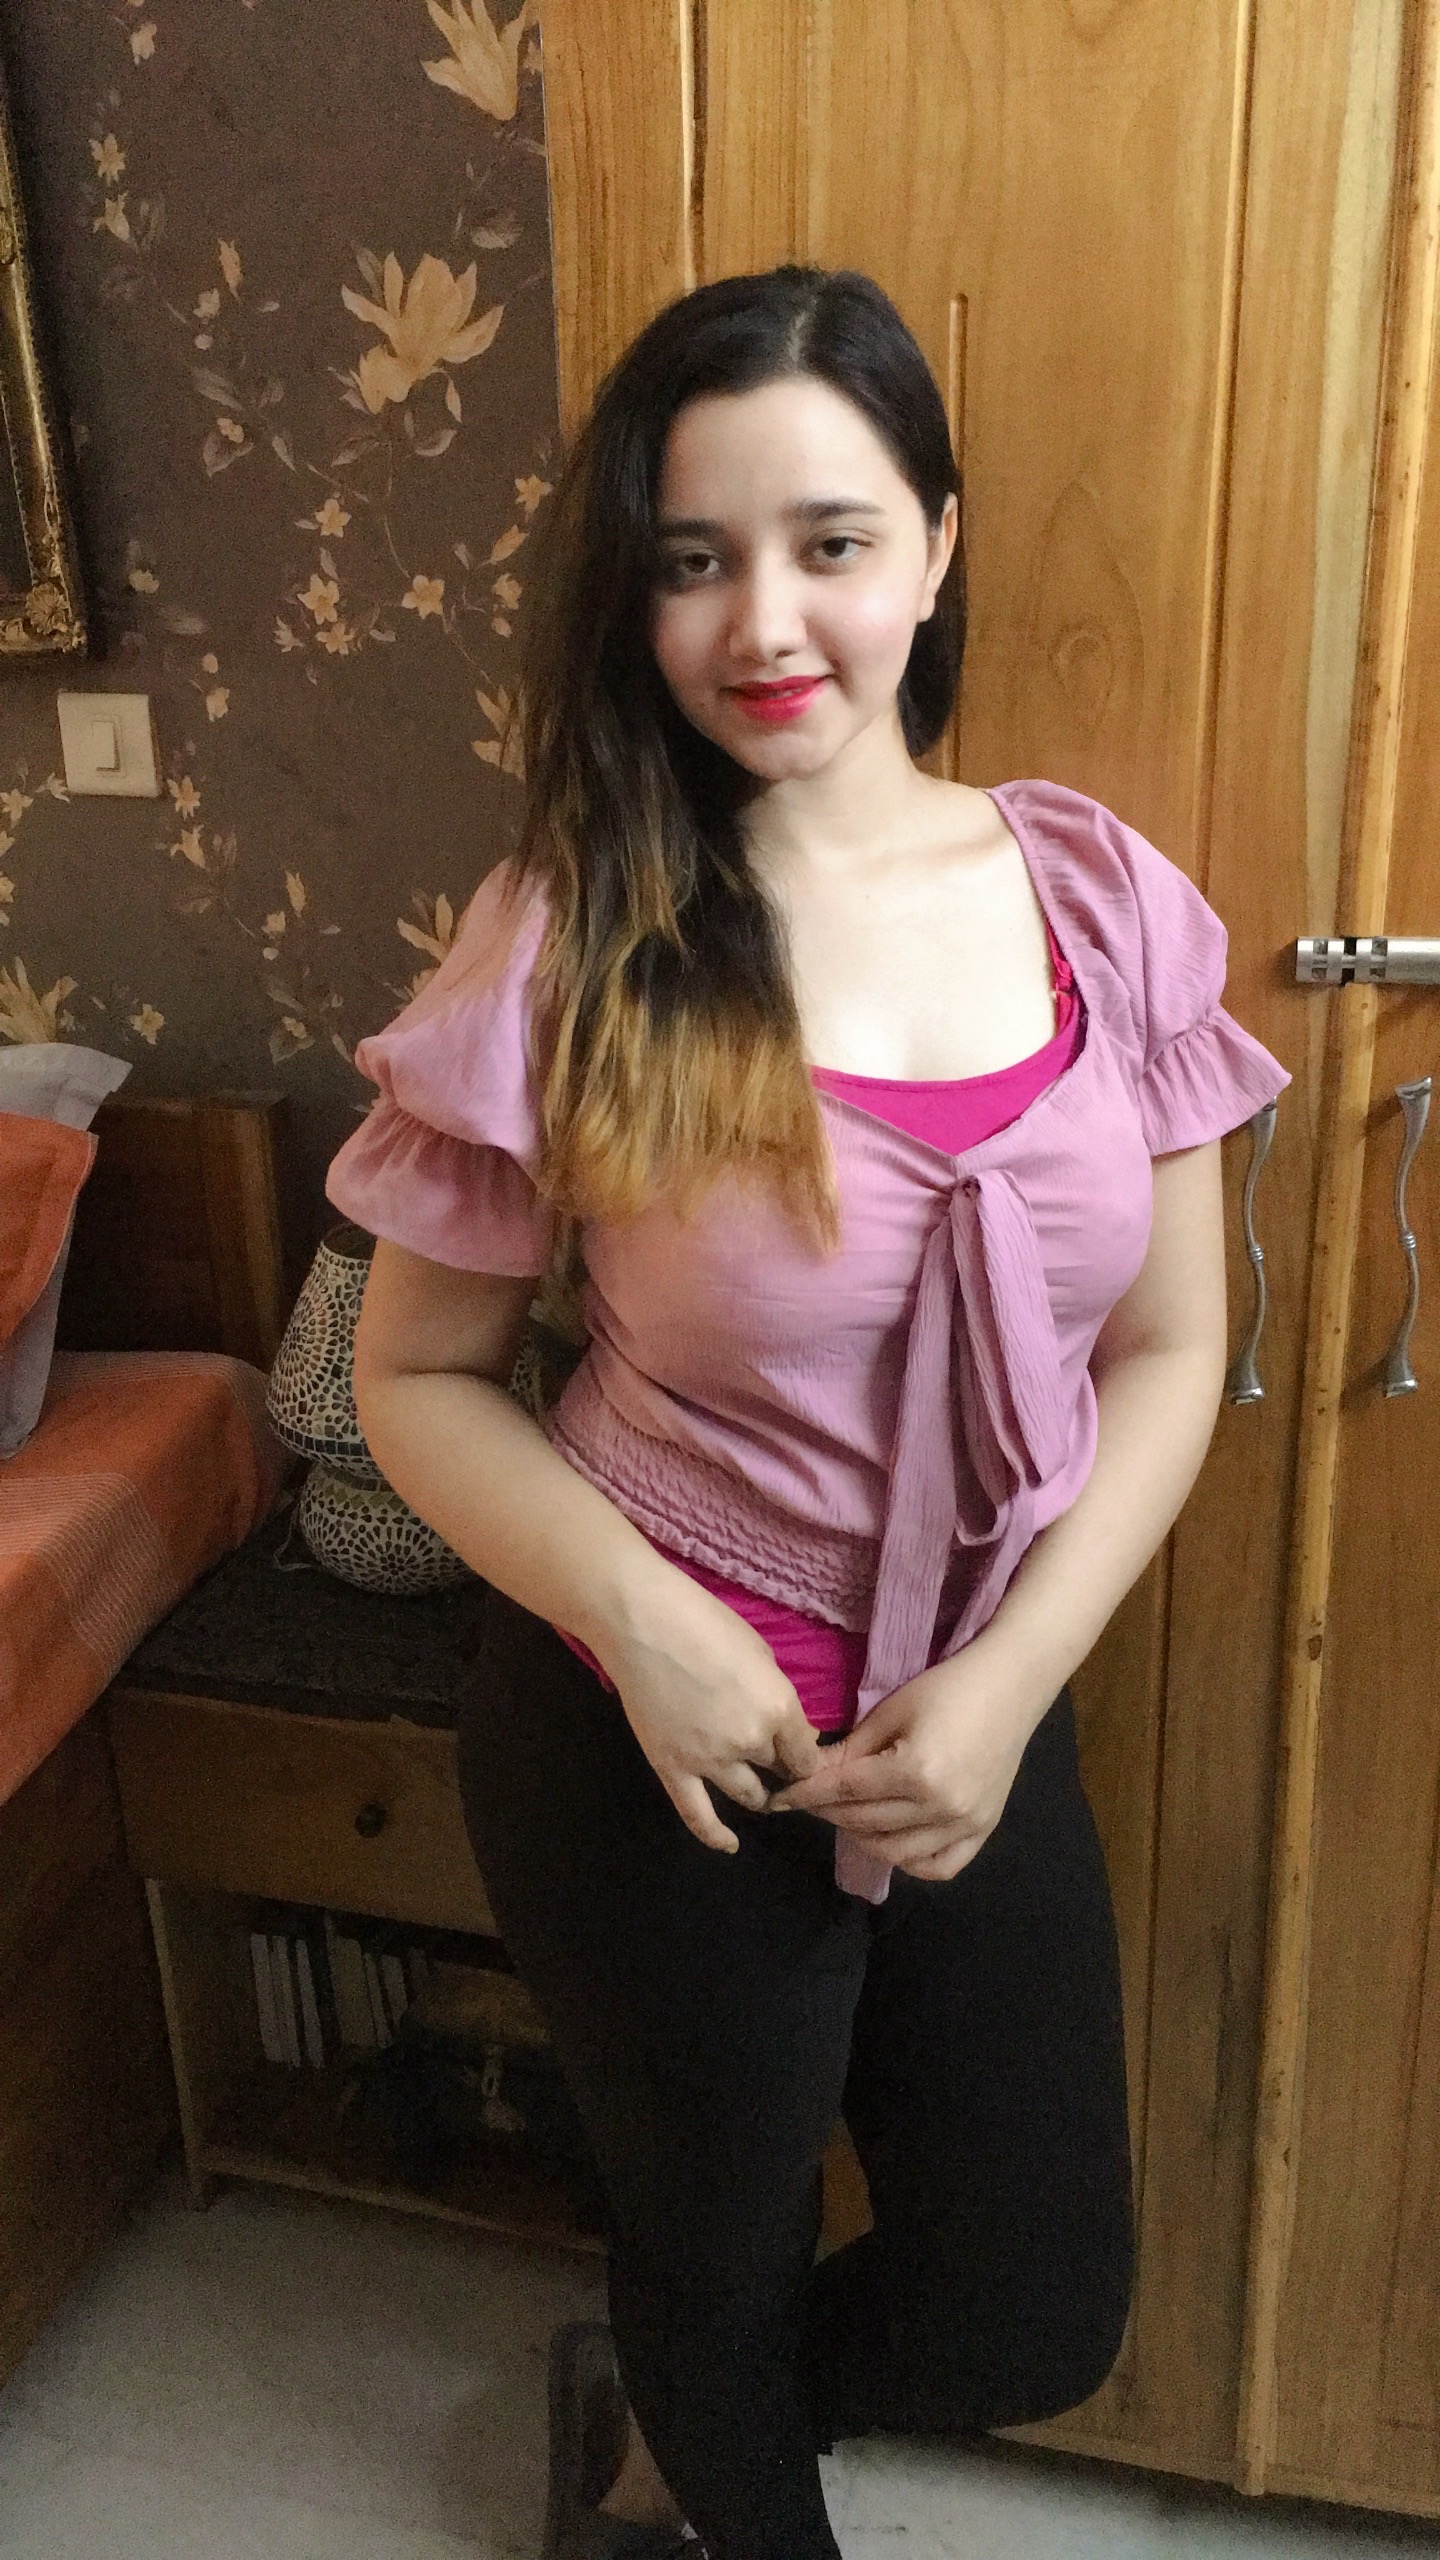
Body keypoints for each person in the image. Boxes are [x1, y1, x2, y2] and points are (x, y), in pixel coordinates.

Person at [326, 264, 1289, 2560]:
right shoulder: (577, 929)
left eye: (830, 540)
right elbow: (414, 1375)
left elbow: (1168, 1348)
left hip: (975, 1712)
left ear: (935, 547)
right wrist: (646, 1622)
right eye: (693, 557)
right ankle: (703, 2429)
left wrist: (1014, 1678)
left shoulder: (1097, 899)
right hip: (652, 1734)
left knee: (1032, 2297)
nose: (765, 619)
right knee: (713, 2249)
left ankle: (694, 2412)